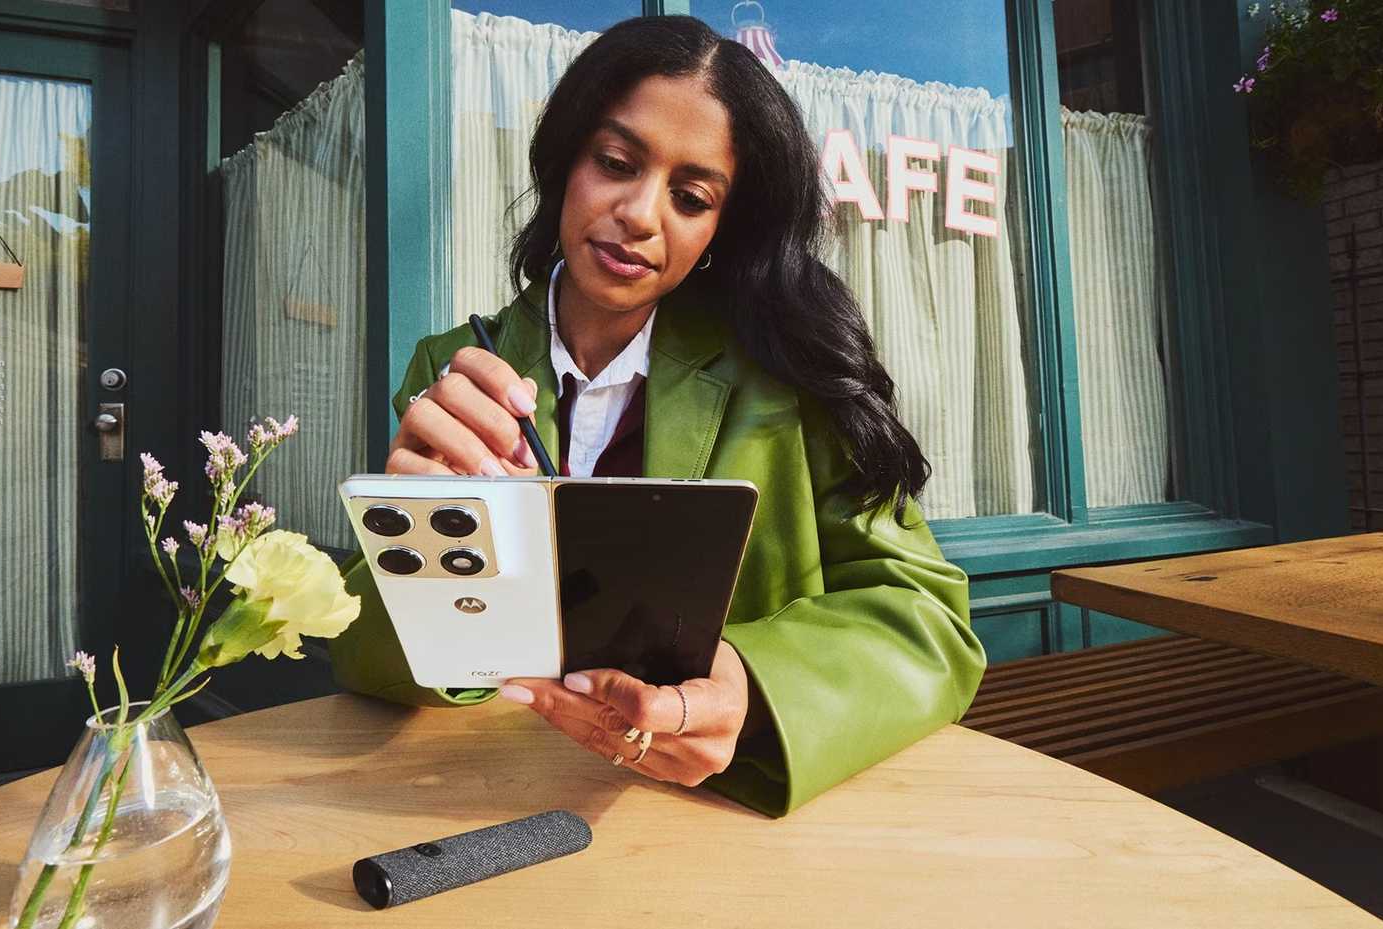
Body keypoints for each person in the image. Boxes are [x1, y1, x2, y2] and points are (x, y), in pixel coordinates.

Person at [327, 15, 984, 817]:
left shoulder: (787, 375)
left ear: (720, 229)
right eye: (616, 162)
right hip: (489, 798)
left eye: (691, 195)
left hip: (713, 811)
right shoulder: (454, 369)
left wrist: (752, 683)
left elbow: (930, 621)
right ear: (566, 159)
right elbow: (364, 659)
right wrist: (422, 539)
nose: (640, 213)